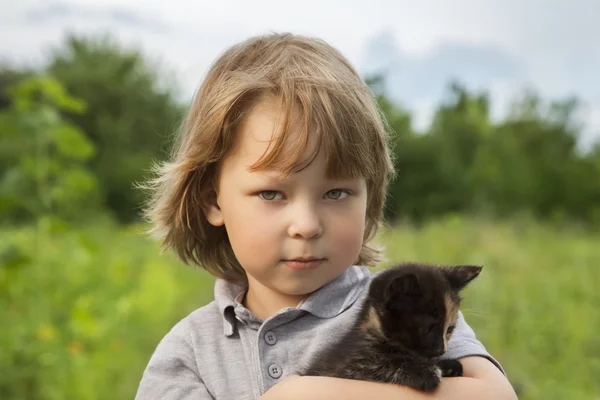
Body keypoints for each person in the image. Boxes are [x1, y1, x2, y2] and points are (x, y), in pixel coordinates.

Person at [135, 32, 516, 400]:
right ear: (213, 202)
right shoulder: (191, 353)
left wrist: (307, 394)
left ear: (369, 198)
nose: (307, 225)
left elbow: (494, 395)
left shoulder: (408, 306)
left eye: (336, 193)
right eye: (272, 193)